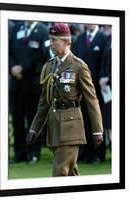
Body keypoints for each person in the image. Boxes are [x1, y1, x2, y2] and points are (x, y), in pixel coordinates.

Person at [26, 23, 103, 176]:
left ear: (67, 42)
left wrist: (97, 130)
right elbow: (44, 102)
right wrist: (34, 128)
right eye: (50, 40)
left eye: (56, 40)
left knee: (59, 173)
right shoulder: (49, 66)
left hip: (71, 128)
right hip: (54, 128)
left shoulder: (79, 66)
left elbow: (91, 100)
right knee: (70, 174)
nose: (52, 44)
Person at [9, 20, 50, 163]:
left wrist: (22, 68)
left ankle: (33, 153)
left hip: (32, 82)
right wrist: (13, 68)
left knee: (33, 120)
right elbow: (7, 51)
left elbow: (43, 55)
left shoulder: (43, 30)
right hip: (16, 82)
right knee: (17, 120)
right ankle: (19, 153)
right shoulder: (15, 28)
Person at [73, 24, 107, 163]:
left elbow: (105, 63)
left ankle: (98, 154)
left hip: (97, 88)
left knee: (97, 121)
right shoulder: (80, 38)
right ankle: (85, 153)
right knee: (83, 121)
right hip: (80, 88)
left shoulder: (103, 38)